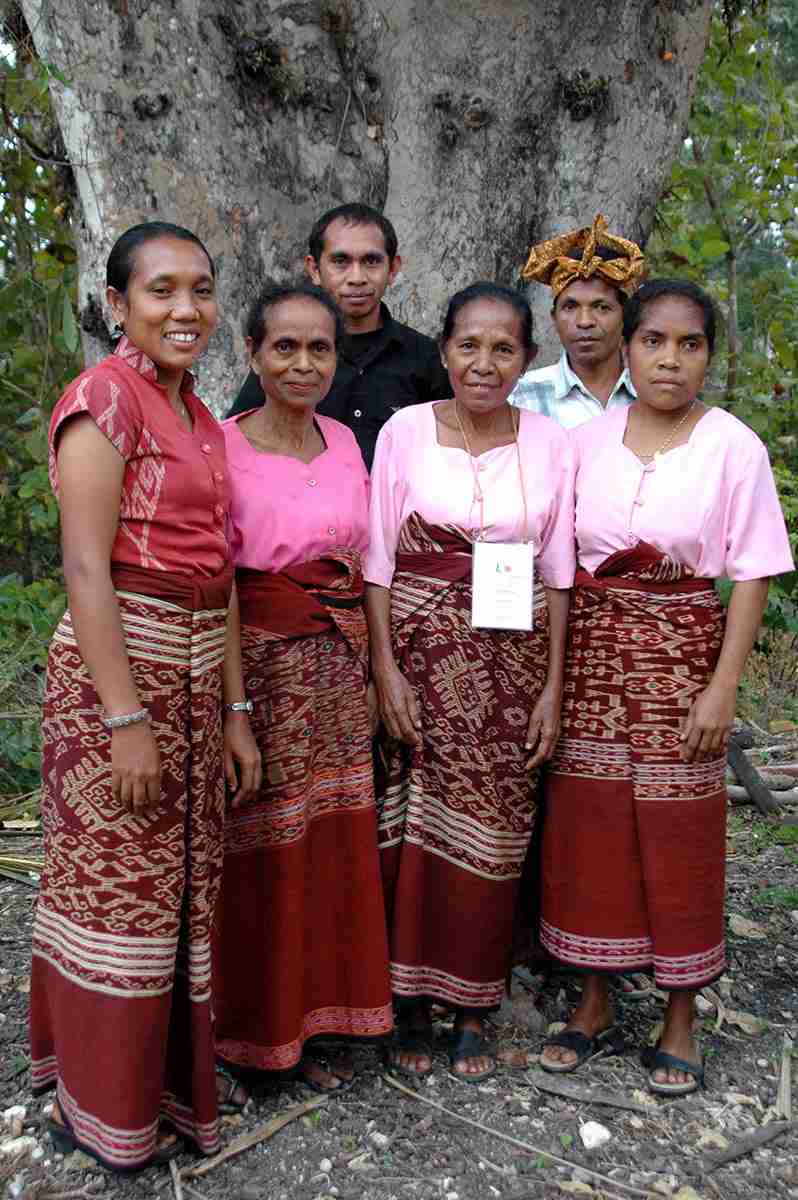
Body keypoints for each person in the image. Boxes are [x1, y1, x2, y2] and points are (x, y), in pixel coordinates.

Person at [30, 222, 261, 1171]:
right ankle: (99, 1106)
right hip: (116, 680)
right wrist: (126, 721)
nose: (186, 309)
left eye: (201, 289)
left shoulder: (204, 418)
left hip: (201, 678)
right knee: (116, 893)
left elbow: (224, 570)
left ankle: (163, 1086)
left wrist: (239, 712)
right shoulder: (104, 400)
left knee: (177, 892)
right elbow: (86, 565)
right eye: (161, 290)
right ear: (118, 303)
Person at [538, 279, 794, 1095]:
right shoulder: (583, 443)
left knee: (681, 830)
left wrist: (724, 689)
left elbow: (752, 572)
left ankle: (680, 1011)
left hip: (684, 657)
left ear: (710, 357)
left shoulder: (732, 445)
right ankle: (593, 1000)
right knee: (591, 827)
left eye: (690, 345)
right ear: (629, 347)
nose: (670, 360)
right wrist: (555, 681)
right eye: (655, 341)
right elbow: (560, 574)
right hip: (594, 661)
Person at [364, 282, 576, 1081]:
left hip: (512, 668)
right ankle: (409, 1002)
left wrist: (553, 688)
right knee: (406, 824)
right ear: (444, 350)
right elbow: (378, 561)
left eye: (504, 349)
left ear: (526, 359)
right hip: (418, 659)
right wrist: (385, 669)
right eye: (468, 346)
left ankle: (475, 1004)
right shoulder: (405, 432)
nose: (484, 364)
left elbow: (558, 572)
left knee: (495, 833)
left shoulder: (552, 443)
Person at [213, 282, 393, 1092]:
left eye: (320, 347)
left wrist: (376, 668)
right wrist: (235, 709)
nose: (302, 363)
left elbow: (365, 565)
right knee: (259, 847)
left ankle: (316, 1021)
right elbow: (215, 582)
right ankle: (249, 1033)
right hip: (258, 666)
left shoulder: (347, 444)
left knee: (326, 842)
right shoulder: (219, 445)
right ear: (252, 354)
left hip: (338, 669)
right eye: (284, 346)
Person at [226, 203, 450, 468]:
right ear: (314, 269)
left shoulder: (424, 358)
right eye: (341, 261)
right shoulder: (285, 357)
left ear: (392, 268)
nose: (357, 278)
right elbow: (238, 444)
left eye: (371, 261)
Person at [510, 213, 645, 428]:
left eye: (601, 307)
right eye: (570, 307)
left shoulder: (651, 394)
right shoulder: (520, 398)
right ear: (554, 318)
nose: (584, 321)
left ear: (625, 316)